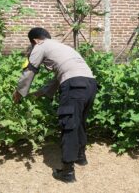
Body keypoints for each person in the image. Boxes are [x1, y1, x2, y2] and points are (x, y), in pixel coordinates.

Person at [12, 27, 97, 183]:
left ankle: (67, 172)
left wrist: (19, 91)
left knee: (69, 124)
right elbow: (60, 77)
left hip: (74, 85)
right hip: (90, 84)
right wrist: (41, 93)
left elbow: (30, 69)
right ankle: (80, 156)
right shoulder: (62, 47)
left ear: (35, 40)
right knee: (79, 122)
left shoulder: (40, 45)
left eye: (32, 45)